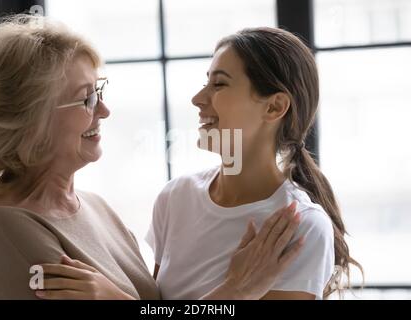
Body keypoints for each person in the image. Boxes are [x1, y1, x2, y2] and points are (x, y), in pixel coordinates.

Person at [0, 16, 302, 300]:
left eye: (99, 92)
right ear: (30, 118)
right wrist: (238, 290)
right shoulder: (5, 229)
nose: (104, 111)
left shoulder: (95, 207)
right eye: (86, 100)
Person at [37, 27, 362, 300]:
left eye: (219, 84)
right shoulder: (176, 197)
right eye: (206, 81)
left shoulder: (298, 228)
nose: (198, 98)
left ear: (274, 107)